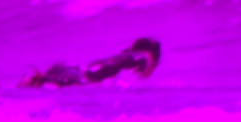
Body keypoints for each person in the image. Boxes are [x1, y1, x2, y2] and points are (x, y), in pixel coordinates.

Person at [23, 37, 161, 89]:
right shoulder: (144, 58)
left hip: (70, 69)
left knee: (32, 86)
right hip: (78, 77)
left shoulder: (126, 56)